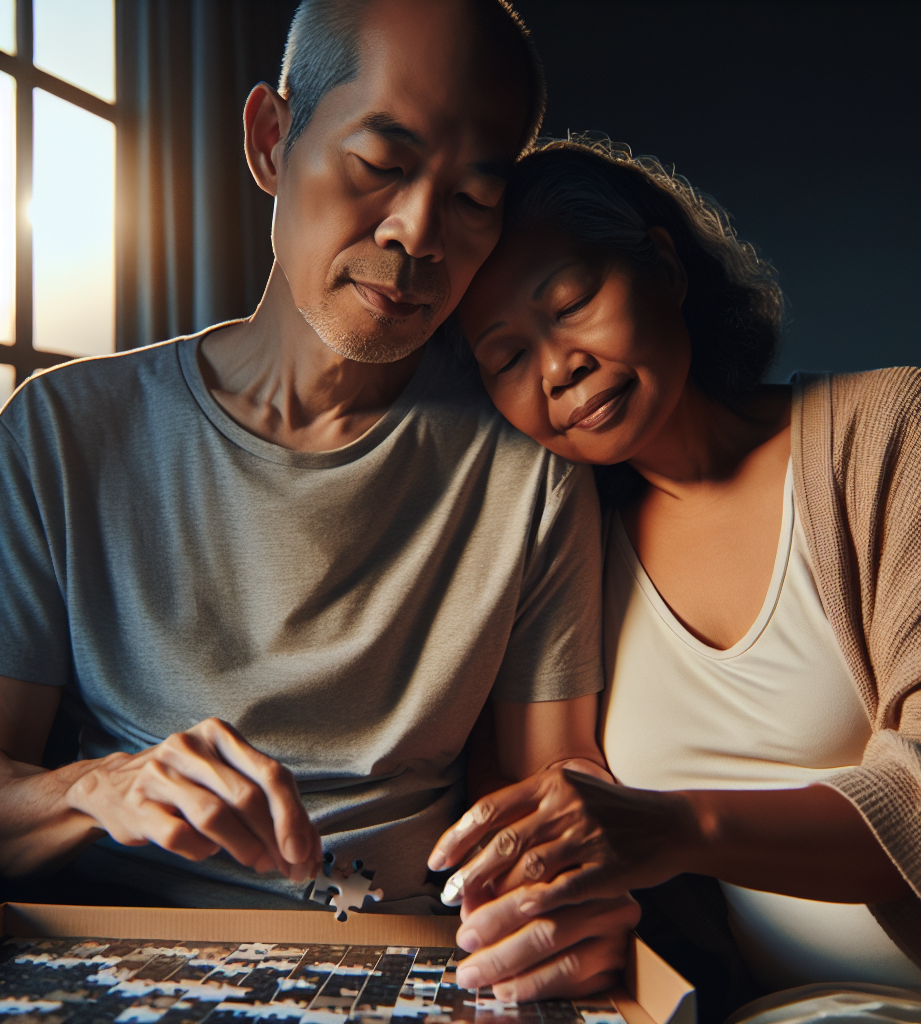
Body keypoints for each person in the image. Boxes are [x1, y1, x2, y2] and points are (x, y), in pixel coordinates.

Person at [0, 2, 638, 996]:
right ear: (270, 139)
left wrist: (576, 892)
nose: (415, 231)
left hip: (404, 965)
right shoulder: (62, 432)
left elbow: (555, 786)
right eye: (381, 162)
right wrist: (95, 788)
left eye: (472, 197)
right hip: (109, 953)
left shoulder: (530, 462)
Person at [430, 137, 921, 1018]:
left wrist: (681, 827)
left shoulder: (895, 429)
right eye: (506, 358)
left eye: (574, 301)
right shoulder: (564, 551)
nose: (560, 367)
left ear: (662, 263)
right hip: (804, 1006)